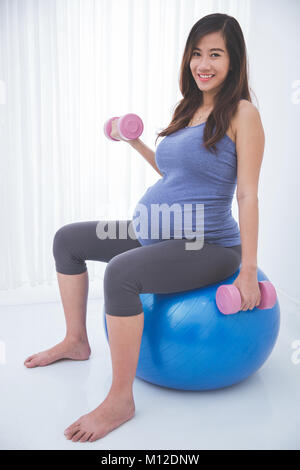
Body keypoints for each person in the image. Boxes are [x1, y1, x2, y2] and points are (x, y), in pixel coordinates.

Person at [24, 13, 264, 443]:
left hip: (206, 243)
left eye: (215, 54)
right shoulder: (189, 109)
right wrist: (135, 142)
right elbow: (175, 175)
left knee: (122, 274)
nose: (203, 63)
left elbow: (247, 193)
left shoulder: (242, 113)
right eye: (196, 53)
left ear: (234, 61)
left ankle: (120, 399)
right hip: (158, 229)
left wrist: (249, 269)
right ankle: (76, 341)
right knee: (68, 240)